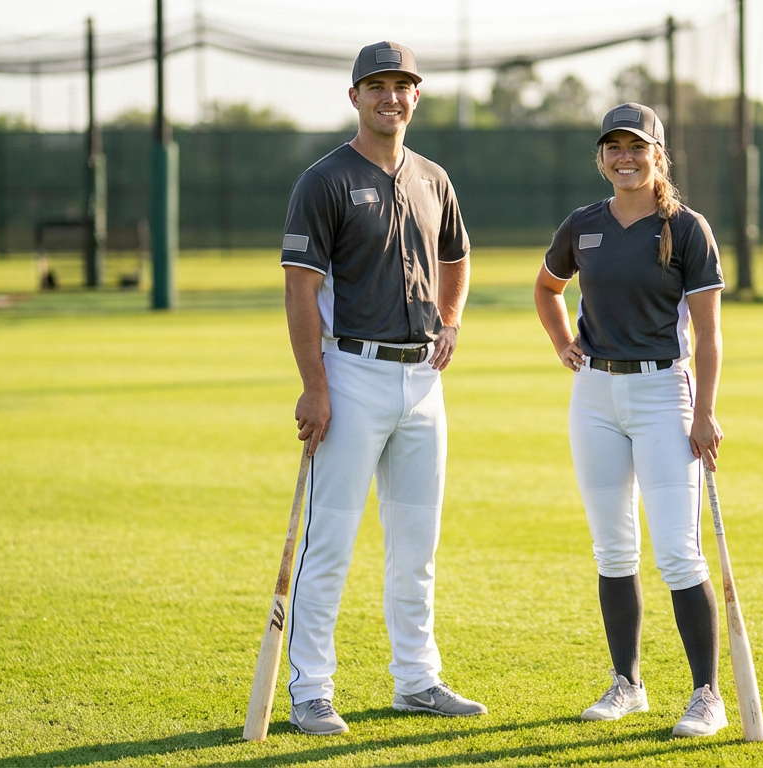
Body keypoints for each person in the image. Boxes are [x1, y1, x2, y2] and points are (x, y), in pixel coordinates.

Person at [277, 40, 485, 736]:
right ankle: (310, 688)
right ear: (355, 97)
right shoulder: (323, 180)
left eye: (403, 85)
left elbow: (457, 258)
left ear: (416, 96)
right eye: (377, 86)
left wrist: (451, 320)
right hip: (351, 372)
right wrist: (314, 386)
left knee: (415, 543)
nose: (391, 97)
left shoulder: (434, 177)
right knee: (329, 543)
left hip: (424, 378)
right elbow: (300, 290)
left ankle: (417, 680)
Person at [533, 103, 728, 738]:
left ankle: (706, 695)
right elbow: (547, 286)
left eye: (637, 148)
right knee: (613, 549)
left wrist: (704, 415)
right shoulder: (582, 224)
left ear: (657, 155)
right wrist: (564, 342)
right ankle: (628, 684)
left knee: (678, 552)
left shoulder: (686, 227)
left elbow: (708, 333)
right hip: (594, 398)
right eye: (613, 148)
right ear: (602, 157)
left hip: (663, 396)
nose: (625, 158)